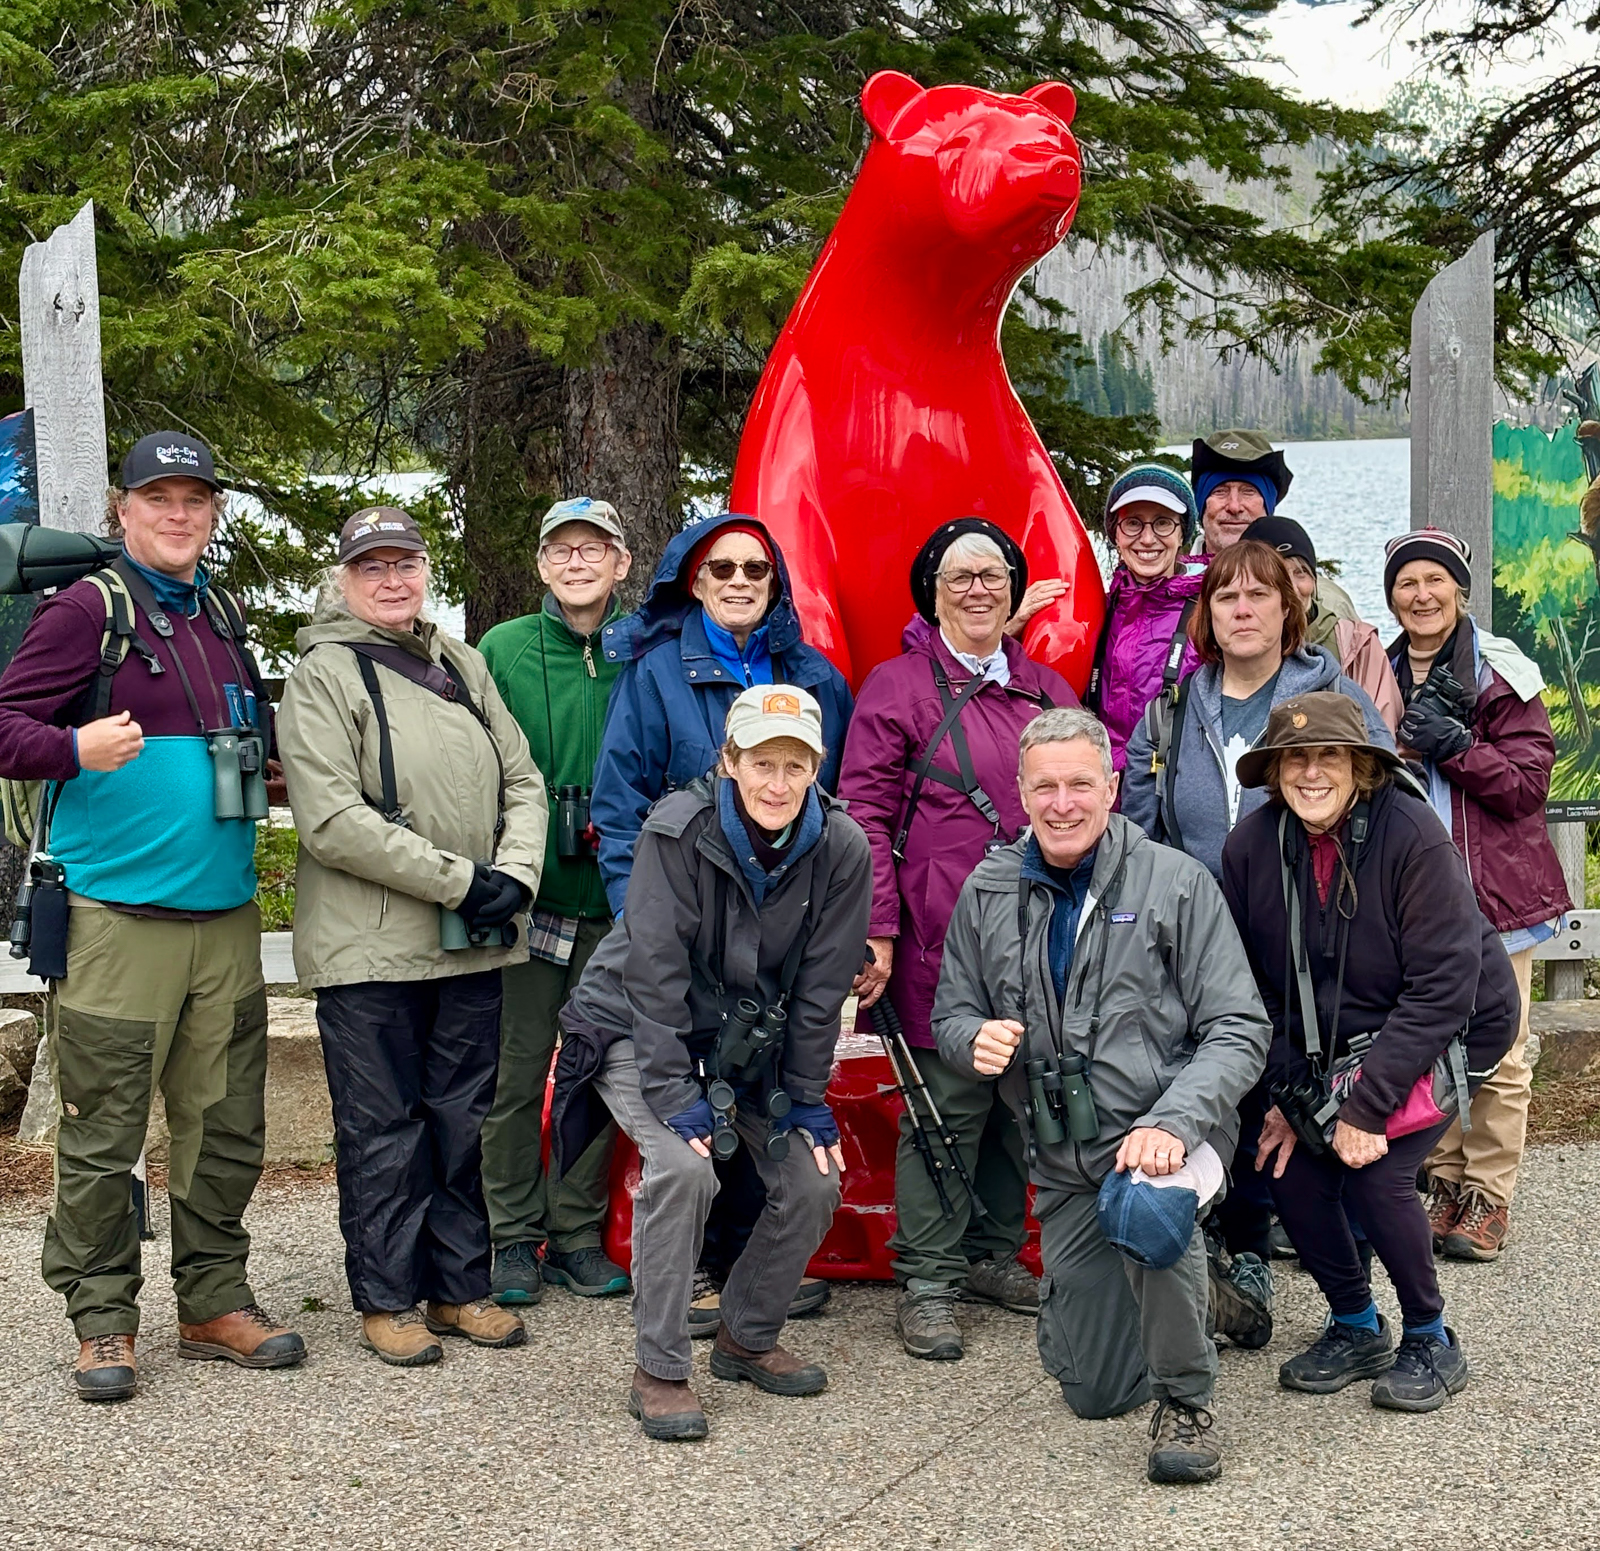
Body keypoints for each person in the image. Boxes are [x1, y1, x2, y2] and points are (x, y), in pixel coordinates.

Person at [0, 431, 305, 1402]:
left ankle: (212, 1300)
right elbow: (6, 727)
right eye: (158, 499)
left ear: (213, 513)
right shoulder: (87, 611)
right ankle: (102, 1320)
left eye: (195, 499)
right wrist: (71, 747)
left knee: (225, 1125)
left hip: (223, 919)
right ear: (122, 513)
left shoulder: (220, 609)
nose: (178, 515)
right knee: (102, 1133)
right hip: (114, 923)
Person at [932, 707, 1270, 1484]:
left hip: (1168, 1134)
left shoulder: (1176, 880)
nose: (1062, 803)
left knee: (1150, 1206)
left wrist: (1175, 1122)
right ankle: (1206, 1299)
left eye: (1079, 784)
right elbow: (950, 1012)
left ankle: (1187, 1403)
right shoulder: (986, 888)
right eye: (1044, 786)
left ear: (1112, 787)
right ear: (1020, 791)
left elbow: (1240, 1028)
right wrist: (968, 1039)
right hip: (1064, 1151)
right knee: (1091, 1389)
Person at [551, 686, 871, 1441]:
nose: (777, 782)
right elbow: (654, 973)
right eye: (761, 761)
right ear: (729, 761)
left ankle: (747, 1334)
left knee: (813, 1175)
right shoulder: (677, 829)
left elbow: (823, 988)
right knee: (685, 1166)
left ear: (817, 769)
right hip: (635, 1026)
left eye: (796, 765)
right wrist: (671, 1093)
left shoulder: (844, 847)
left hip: (744, 1040)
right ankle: (658, 1366)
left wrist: (804, 1094)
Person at [277, 506, 548, 1368]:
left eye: (406, 563)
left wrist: (518, 873)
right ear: (344, 579)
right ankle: (388, 1297)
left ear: (425, 570)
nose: (393, 580)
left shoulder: (460, 661)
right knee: (382, 1126)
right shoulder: (321, 674)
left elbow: (523, 777)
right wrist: (466, 880)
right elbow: (331, 820)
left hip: (471, 936)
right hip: (370, 948)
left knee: (461, 1119)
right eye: (372, 567)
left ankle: (459, 1286)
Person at [1121, 538, 1394, 1348]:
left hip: (1316, 928)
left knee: (1317, 1087)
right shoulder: (1172, 711)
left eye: (1260, 596)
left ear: (1288, 610)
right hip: (1201, 935)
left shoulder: (1334, 696)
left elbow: (1381, 805)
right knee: (1228, 1087)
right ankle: (1239, 1249)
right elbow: (1137, 829)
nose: (1243, 609)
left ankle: (1356, 1280)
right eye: (1227, 596)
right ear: (1206, 614)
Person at [591, 511, 852, 1334]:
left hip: (757, 948)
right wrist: (650, 911)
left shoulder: (808, 675)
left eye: (757, 569)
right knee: (687, 1136)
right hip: (675, 910)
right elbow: (621, 799)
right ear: (695, 581)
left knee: (762, 1112)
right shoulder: (658, 671)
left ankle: (746, 1304)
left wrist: (810, 1095)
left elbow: (819, 982)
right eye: (722, 568)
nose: (740, 580)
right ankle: (670, 1330)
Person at [1220, 692, 1519, 1410]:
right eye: (1295, 757)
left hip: (1451, 1023)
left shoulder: (1414, 834)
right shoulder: (1250, 847)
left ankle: (1431, 1335)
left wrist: (1365, 1105)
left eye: (1329, 755)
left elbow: (1445, 987)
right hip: (1329, 1041)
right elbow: (1255, 990)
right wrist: (1294, 1100)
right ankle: (1356, 1322)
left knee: (1375, 1171)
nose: (1311, 772)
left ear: (1362, 765)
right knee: (1286, 1161)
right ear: (1274, 770)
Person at [839, 518, 1077, 1361]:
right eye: (959, 575)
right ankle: (930, 1277)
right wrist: (877, 928)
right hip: (938, 934)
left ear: (1014, 592)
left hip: (1037, 931)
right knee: (946, 1106)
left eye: (993, 575)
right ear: (932, 590)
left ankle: (992, 1253)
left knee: (1019, 1102)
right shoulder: (895, 687)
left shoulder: (1048, 689)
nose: (978, 588)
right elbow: (862, 811)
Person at [1382, 528, 1571, 1261]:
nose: (1421, 595)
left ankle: (1489, 1193)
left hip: (1495, 893)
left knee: (1505, 1048)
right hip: (1419, 896)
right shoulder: (1382, 672)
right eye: (1406, 583)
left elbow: (1528, 787)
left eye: (1435, 580)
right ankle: (1449, 1181)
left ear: (1460, 588)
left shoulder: (1500, 670)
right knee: (1435, 1041)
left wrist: (1456, 745)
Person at [476, 498, 633, 1305]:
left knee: (594, 1069)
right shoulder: (501, 649)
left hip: (618, 904)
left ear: (621, 562)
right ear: (541, 565)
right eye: (561, 550)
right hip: (531, 903)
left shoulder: (645, 648)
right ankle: (511, 1234)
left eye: (593, 548)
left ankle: (575, 1230)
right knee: (515, 1071)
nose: (577, 562)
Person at [1081, 461, 1206, 772]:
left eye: (1163, 523)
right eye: (1133, 523)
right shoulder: (1097, 608)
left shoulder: (1211, 610)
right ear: (1116, 535)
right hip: (1105, 793)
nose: (1148, 539)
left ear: (1182, 534)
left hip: (1175, 793)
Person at [1241, 515, 1403, 733]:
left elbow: (1383, 736)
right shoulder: (1234, 647)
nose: (1292, 587)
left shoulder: (1358, 645)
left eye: (1301, 572)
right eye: (1276, 574)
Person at [1190, 428, 1359, 624]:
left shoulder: (1326, 602)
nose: (1234, 506)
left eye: (1248, 491)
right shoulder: (1165, 592)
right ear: (1201, 505)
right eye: (1220, 491)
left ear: (1268, 506)